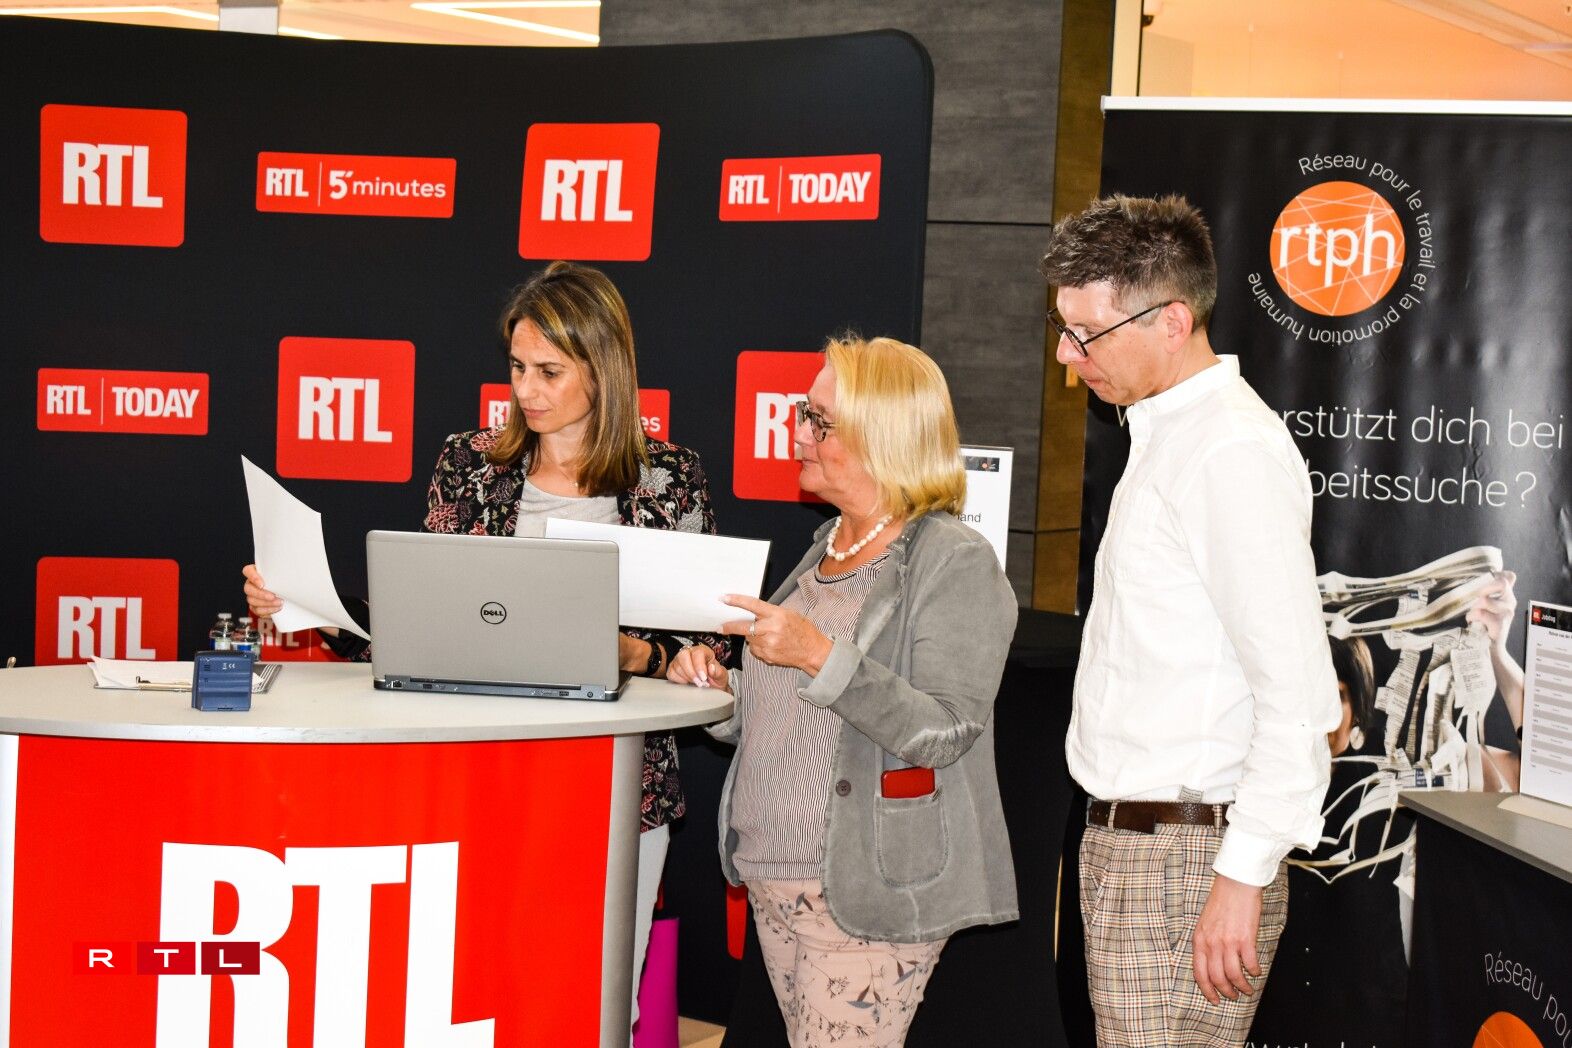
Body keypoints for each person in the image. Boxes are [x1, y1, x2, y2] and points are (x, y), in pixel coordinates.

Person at [243, 260, 727, 1038]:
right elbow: (422, 625)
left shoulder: (669, 479)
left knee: (599, 1006)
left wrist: (634, 652)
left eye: (548, 371)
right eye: (517, 367)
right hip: (481, 775)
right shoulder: (470, 464)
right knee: (472, 995)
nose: (526, 390)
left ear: (603, 369)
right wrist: (306, 606)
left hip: (618, 786)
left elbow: (701, 643)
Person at [1040, 195, 1341, 1048]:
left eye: (1086, 333)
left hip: (1184, 858)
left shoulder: (1228, 451)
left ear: (1172, 321)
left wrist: (1240, 876)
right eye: (1062, 328)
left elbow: (1298, 694)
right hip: (1145, 847)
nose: (1066, 356)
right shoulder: (1167, 435)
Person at [667, 335, 1019, 1048]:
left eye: (819, 421)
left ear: (884, 434)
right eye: (804, 414)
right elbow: (799, 707)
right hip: (773, 877)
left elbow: (946, 728)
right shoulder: (828, 544)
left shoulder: (952, 558)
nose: (798, 434)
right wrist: (724, 690)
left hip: (863, 889)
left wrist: (816, 653)